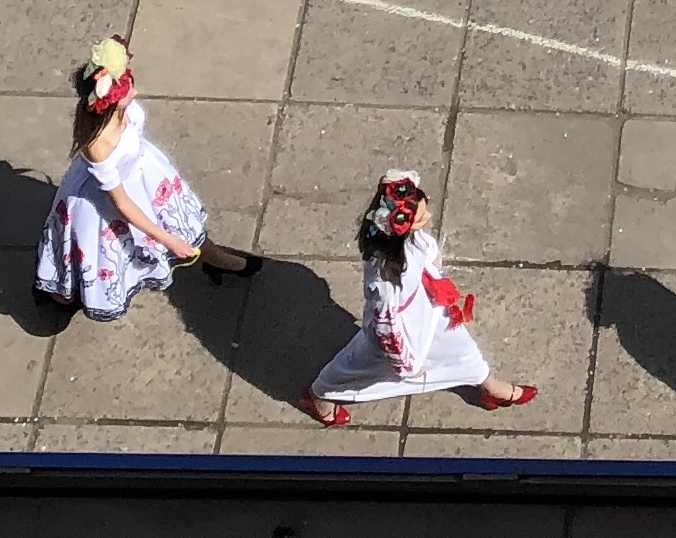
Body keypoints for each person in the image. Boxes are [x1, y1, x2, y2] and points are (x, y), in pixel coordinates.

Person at [39, 37, 258, 321]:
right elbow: (122, 205)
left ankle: (216, 259)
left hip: (146, 176)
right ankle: (60, 294)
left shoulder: (121, 111)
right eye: (127, 87)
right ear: (109, 102)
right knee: (101, 255)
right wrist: (167, 240)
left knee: (184, 226)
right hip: (111, 200)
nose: (135, 90)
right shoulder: (99, 144)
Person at [302, 169, 537, 423]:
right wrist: (407, 365)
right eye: (421, 217)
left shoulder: (400, 241)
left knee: (459, 344)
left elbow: (424, 246)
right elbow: (387, 328)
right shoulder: (386, 282)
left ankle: (486, 383)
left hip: (426, 304)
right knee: (359, 365)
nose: (428, 217)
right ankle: (320, 394)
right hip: (405, 327)